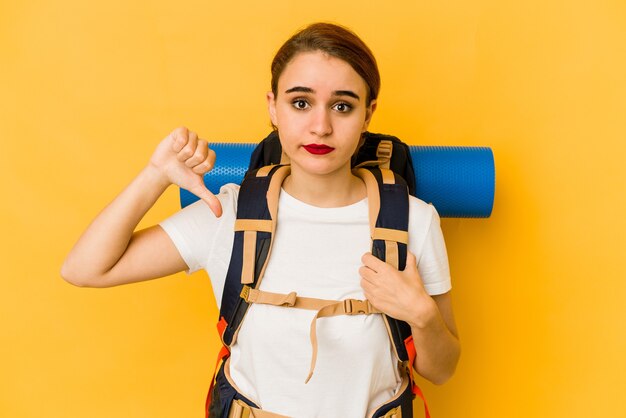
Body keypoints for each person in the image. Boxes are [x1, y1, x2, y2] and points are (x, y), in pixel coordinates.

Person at [62, 22, 460, 418]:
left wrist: (421, 315)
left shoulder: (414, 220)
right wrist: (155, 175)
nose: (320, 126)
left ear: (368, 113)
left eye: (342, 106)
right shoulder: (229, 215)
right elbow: (84, 269)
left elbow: (441, 371)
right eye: (300, 103)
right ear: (273, 107)